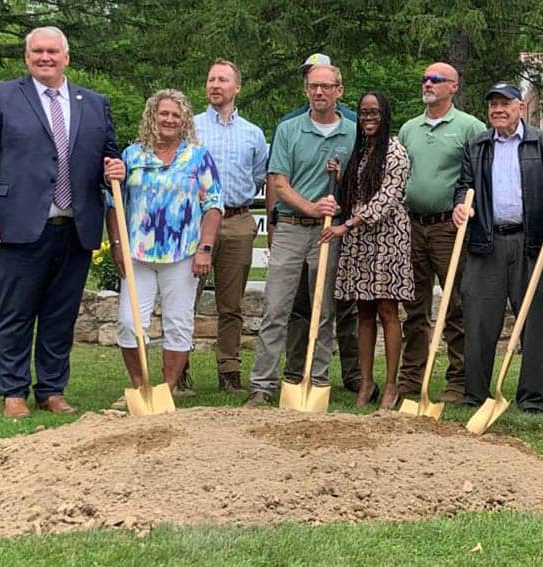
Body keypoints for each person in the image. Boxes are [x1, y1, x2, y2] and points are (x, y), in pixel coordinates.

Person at [0, 26, 124, 418]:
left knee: (60, 315)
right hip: (18, 227)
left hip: (76, 227)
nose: (45, 57)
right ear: (27, 57)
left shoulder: (94, 102)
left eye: (52, 51)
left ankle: (52, 390)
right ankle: (14, 392)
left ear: (66, 57)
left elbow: (108, 157)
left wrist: (116, 169)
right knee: (15, 313)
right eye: (37, 51)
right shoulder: (0, 97)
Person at [247, 63, 355, 405]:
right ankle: (262, 384)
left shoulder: (352, 133)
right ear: (306, 90)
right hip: (294, 228)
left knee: (323, 311)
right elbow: (279, 182)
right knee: (276, 308)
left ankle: (317, 378)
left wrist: (337, 212)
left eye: (326, 86)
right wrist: (311, 208)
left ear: (339, 90)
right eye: (313, 86)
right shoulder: (289, 129)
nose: (319, 92)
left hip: (330, 234)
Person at [105, 89, 223, 402]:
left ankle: (166, 390)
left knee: (179, 323)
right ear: (152, 117)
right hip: (138, 255)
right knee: (130, 324)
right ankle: (140, 387)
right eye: (164, 113)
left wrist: (205, 248)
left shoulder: (197, 157)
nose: (169, 119)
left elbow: (213, 205)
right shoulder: (131, 156)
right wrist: (117, 244)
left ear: (184, 120)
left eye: (176, 114)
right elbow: (112, 203)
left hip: (183, 254)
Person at [453, 82, 543, 412]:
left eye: (505, 104)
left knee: (532, 321)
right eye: (493, 105)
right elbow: (464, 187)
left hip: (531, 244)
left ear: (520, 107)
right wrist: (462, 204)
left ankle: (531, 398)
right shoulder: (477, 146)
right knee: (479, 321)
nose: (498, 110)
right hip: (485, 243)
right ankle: (475, 394)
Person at [398, 62, 487, 402]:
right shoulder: (409, 129)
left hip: (449, 229)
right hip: (413, 226)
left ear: (453, 86)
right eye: (424, 78)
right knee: (414, 306)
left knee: (457, 305)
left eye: (436, 80)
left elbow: (480, 175)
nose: (428, 84)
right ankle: (410, 380)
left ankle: (458, 379)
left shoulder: (469, 127)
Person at [320, 91, 413, 410]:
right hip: (360, 240)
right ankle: (366, 382)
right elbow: (355, 191)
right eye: (363, 113)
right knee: (364, 310)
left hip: (387, 237)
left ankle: (391, 385)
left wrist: (347, 226)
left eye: (374, 113)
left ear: (385, 115)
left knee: (387, 309)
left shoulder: (395, 151)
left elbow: (386, 199)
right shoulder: (360, 151)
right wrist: (339, 174)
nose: (368, 118)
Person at [194, 59, 268, 393]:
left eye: (223, 80)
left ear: (237, 87)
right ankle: (177, 370)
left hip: (237, 220)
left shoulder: (253, 134)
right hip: (194, 222)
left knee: (231, 304)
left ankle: (229, 371)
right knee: (184, 299)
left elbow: (257, 176)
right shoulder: (190, 128)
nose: (215, 85)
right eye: (211, 80)